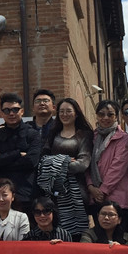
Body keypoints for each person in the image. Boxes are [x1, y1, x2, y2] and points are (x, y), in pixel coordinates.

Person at [37, 98, 93, 241]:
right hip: (53, 191)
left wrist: (55, 163)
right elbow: (43, 161)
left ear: (76, 113)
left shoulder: (84, 135)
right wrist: (66, 161)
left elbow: (82, 164)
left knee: (76, 233)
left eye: (68, 111)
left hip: (76, 191)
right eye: (61, 111)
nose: (64, 114)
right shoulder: (53, 134)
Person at [85, 99, 128, 237]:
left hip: (118, 199)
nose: (105, 118)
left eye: (110, 114)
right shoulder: (91, 137)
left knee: (120, 239)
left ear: (116, 116)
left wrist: (103, 191)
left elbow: (118, 167)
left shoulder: (123, 138)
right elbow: (86, 163)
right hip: (95, 198)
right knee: (100, 239)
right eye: (101, 114)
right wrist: (90, 187)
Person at [0, 92, 42, 209]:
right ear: (2, 113)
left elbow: (31, 162)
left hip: (26, 194)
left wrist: (2, 158)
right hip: (1, 195)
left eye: (15, 110)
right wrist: (17, 154)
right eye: (7, 110)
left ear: (22, 111)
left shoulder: (33, 134)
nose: (11, 113)